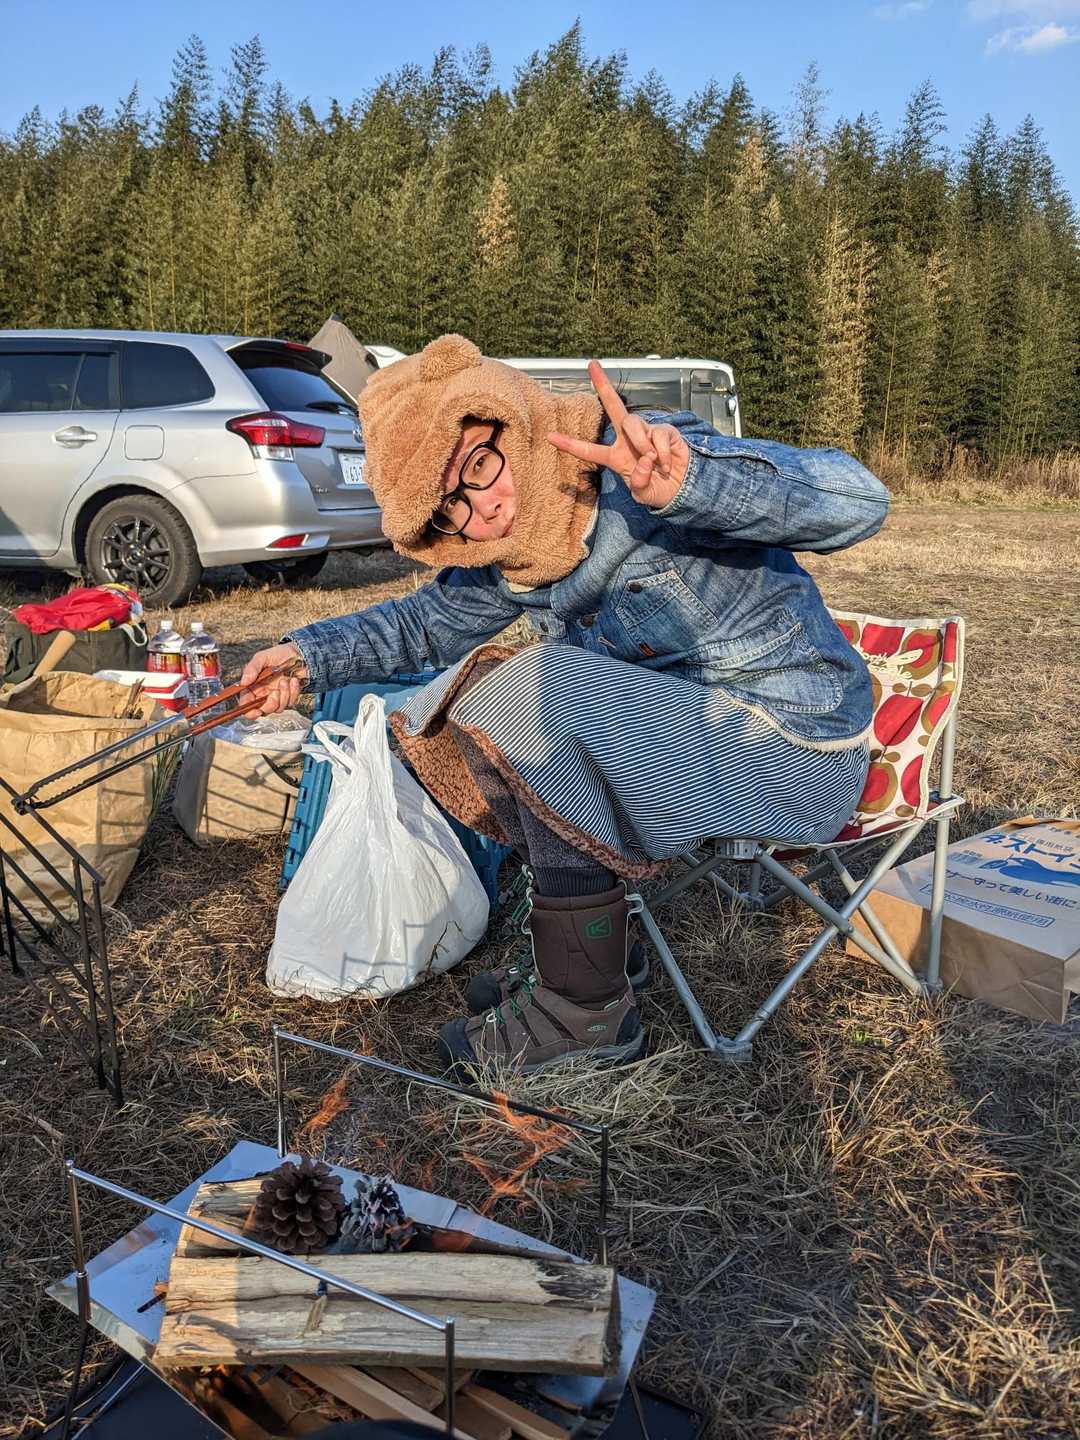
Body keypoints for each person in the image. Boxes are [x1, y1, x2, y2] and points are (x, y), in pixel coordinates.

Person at [242, 334, 888, 1075]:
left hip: (795, 752)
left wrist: (697, 483)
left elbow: (858, 502)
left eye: (478, 467)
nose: (482, 512)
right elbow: (424, 625)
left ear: (510, 418)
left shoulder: (638, 464)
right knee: (460, 701)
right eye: (448, 509)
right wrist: (304, 657)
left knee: (529, 692)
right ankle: (590, 961)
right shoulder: (517, 553)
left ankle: (586, 1014)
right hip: (690, 752)